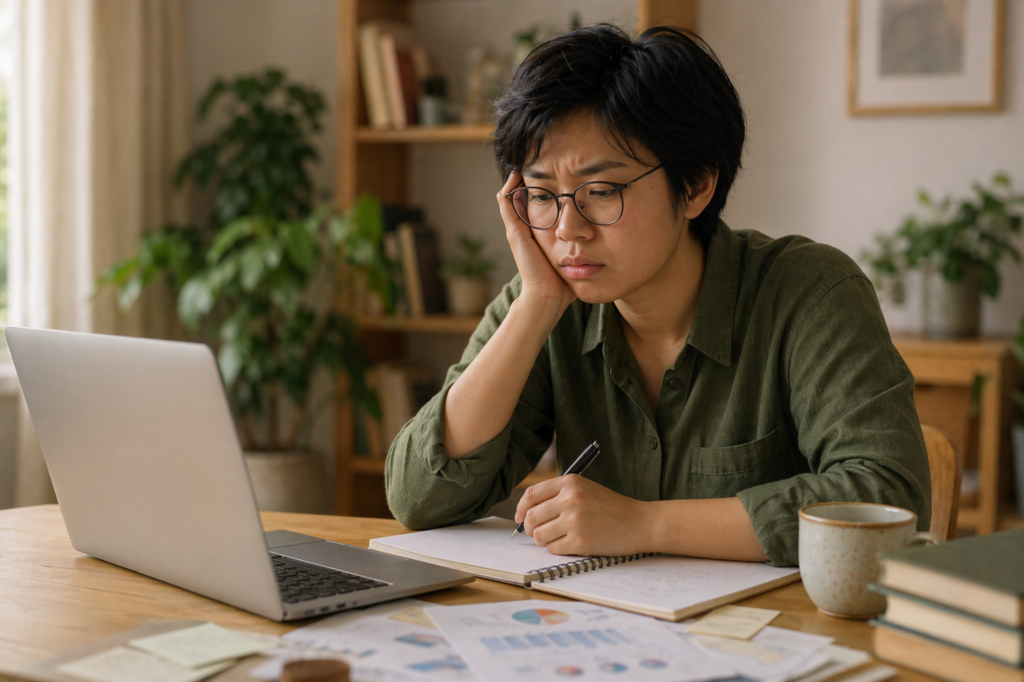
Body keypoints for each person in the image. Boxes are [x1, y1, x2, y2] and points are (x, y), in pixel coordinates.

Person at [384, 25, 930, 567]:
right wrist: (535, 307)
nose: (568, 230)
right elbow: (417, 498)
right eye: (542, 195)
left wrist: (644, 524)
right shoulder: (545, 298)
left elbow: (887, 497)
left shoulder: (810, 292)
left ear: (696, 185)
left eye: (602, 191)